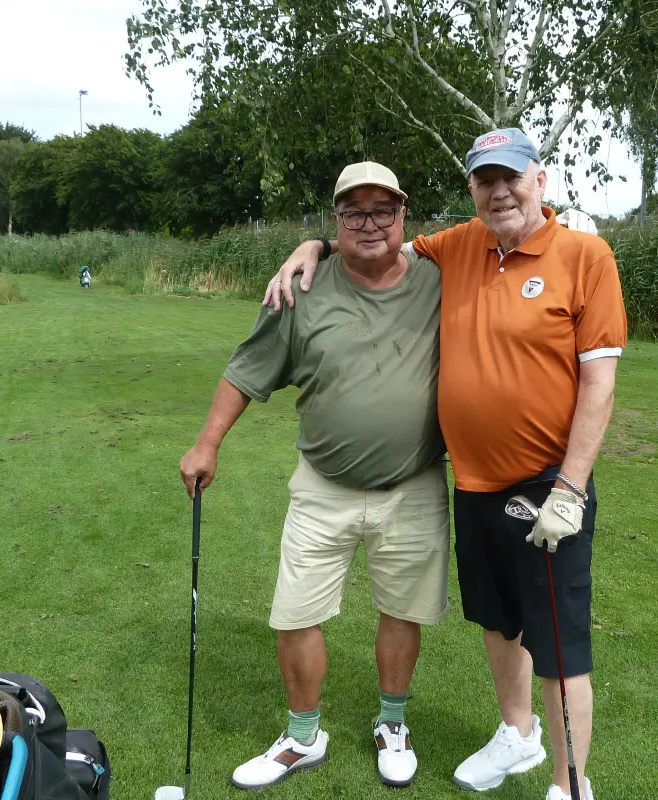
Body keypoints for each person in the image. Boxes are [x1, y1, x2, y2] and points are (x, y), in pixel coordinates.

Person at [266, 128, 626, 800]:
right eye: (486, 181)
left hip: (549, 485)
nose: (500, 192)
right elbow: (375, 242)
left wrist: (571, 488)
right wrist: (312, 246)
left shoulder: (585, 255)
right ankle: (517, 733)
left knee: (559, 645)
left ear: (539, 180)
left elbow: (599, 382)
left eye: (511, 177)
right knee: (498, 621)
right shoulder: (459, 245)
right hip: (475, 482)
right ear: (472, 191)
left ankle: (570, 784)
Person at [179, 161, 449, 790]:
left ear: (403, 215)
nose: (370, 224)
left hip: (413, 486)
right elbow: (247, 369)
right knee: (295, 614)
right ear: (336, 219)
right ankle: (303, 737)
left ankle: (392, 724)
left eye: (383, 210)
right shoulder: (300, 289)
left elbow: (503, 244)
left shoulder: (440, 279)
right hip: (322, 486)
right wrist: (206, 443)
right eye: (354, 213)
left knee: (402, 611)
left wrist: (317, 242)